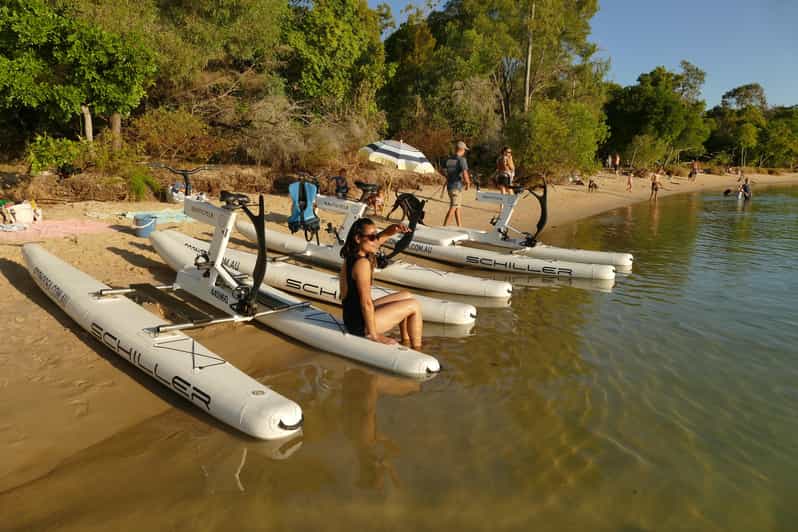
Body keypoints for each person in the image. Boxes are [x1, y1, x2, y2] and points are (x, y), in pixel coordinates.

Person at [340, 218, 423, 348]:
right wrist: (374, 335)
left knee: (407, 295)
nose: (375, 241)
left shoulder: (352, 255)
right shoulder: (362, 264)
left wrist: (393, 229)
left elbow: (379, 238)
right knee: (414, 305)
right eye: (372, 237)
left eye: (376, 235)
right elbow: (366, 302)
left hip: (352, 316)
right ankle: (417, 349)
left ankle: (406, 341)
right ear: (358, 238)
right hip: (360, 325)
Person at [443, 141, 472, 226]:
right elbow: (465, 173)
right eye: (464, 150)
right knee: (453, 206)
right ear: (462, 149)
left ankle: (459, 226)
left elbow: (443, 170)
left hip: (449, 186)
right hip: (456, 187)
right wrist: (468, 183)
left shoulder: (448, 159)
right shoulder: (462, 160)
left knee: (457, 207)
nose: (465, 151)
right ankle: (444, 227)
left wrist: (448, 176)